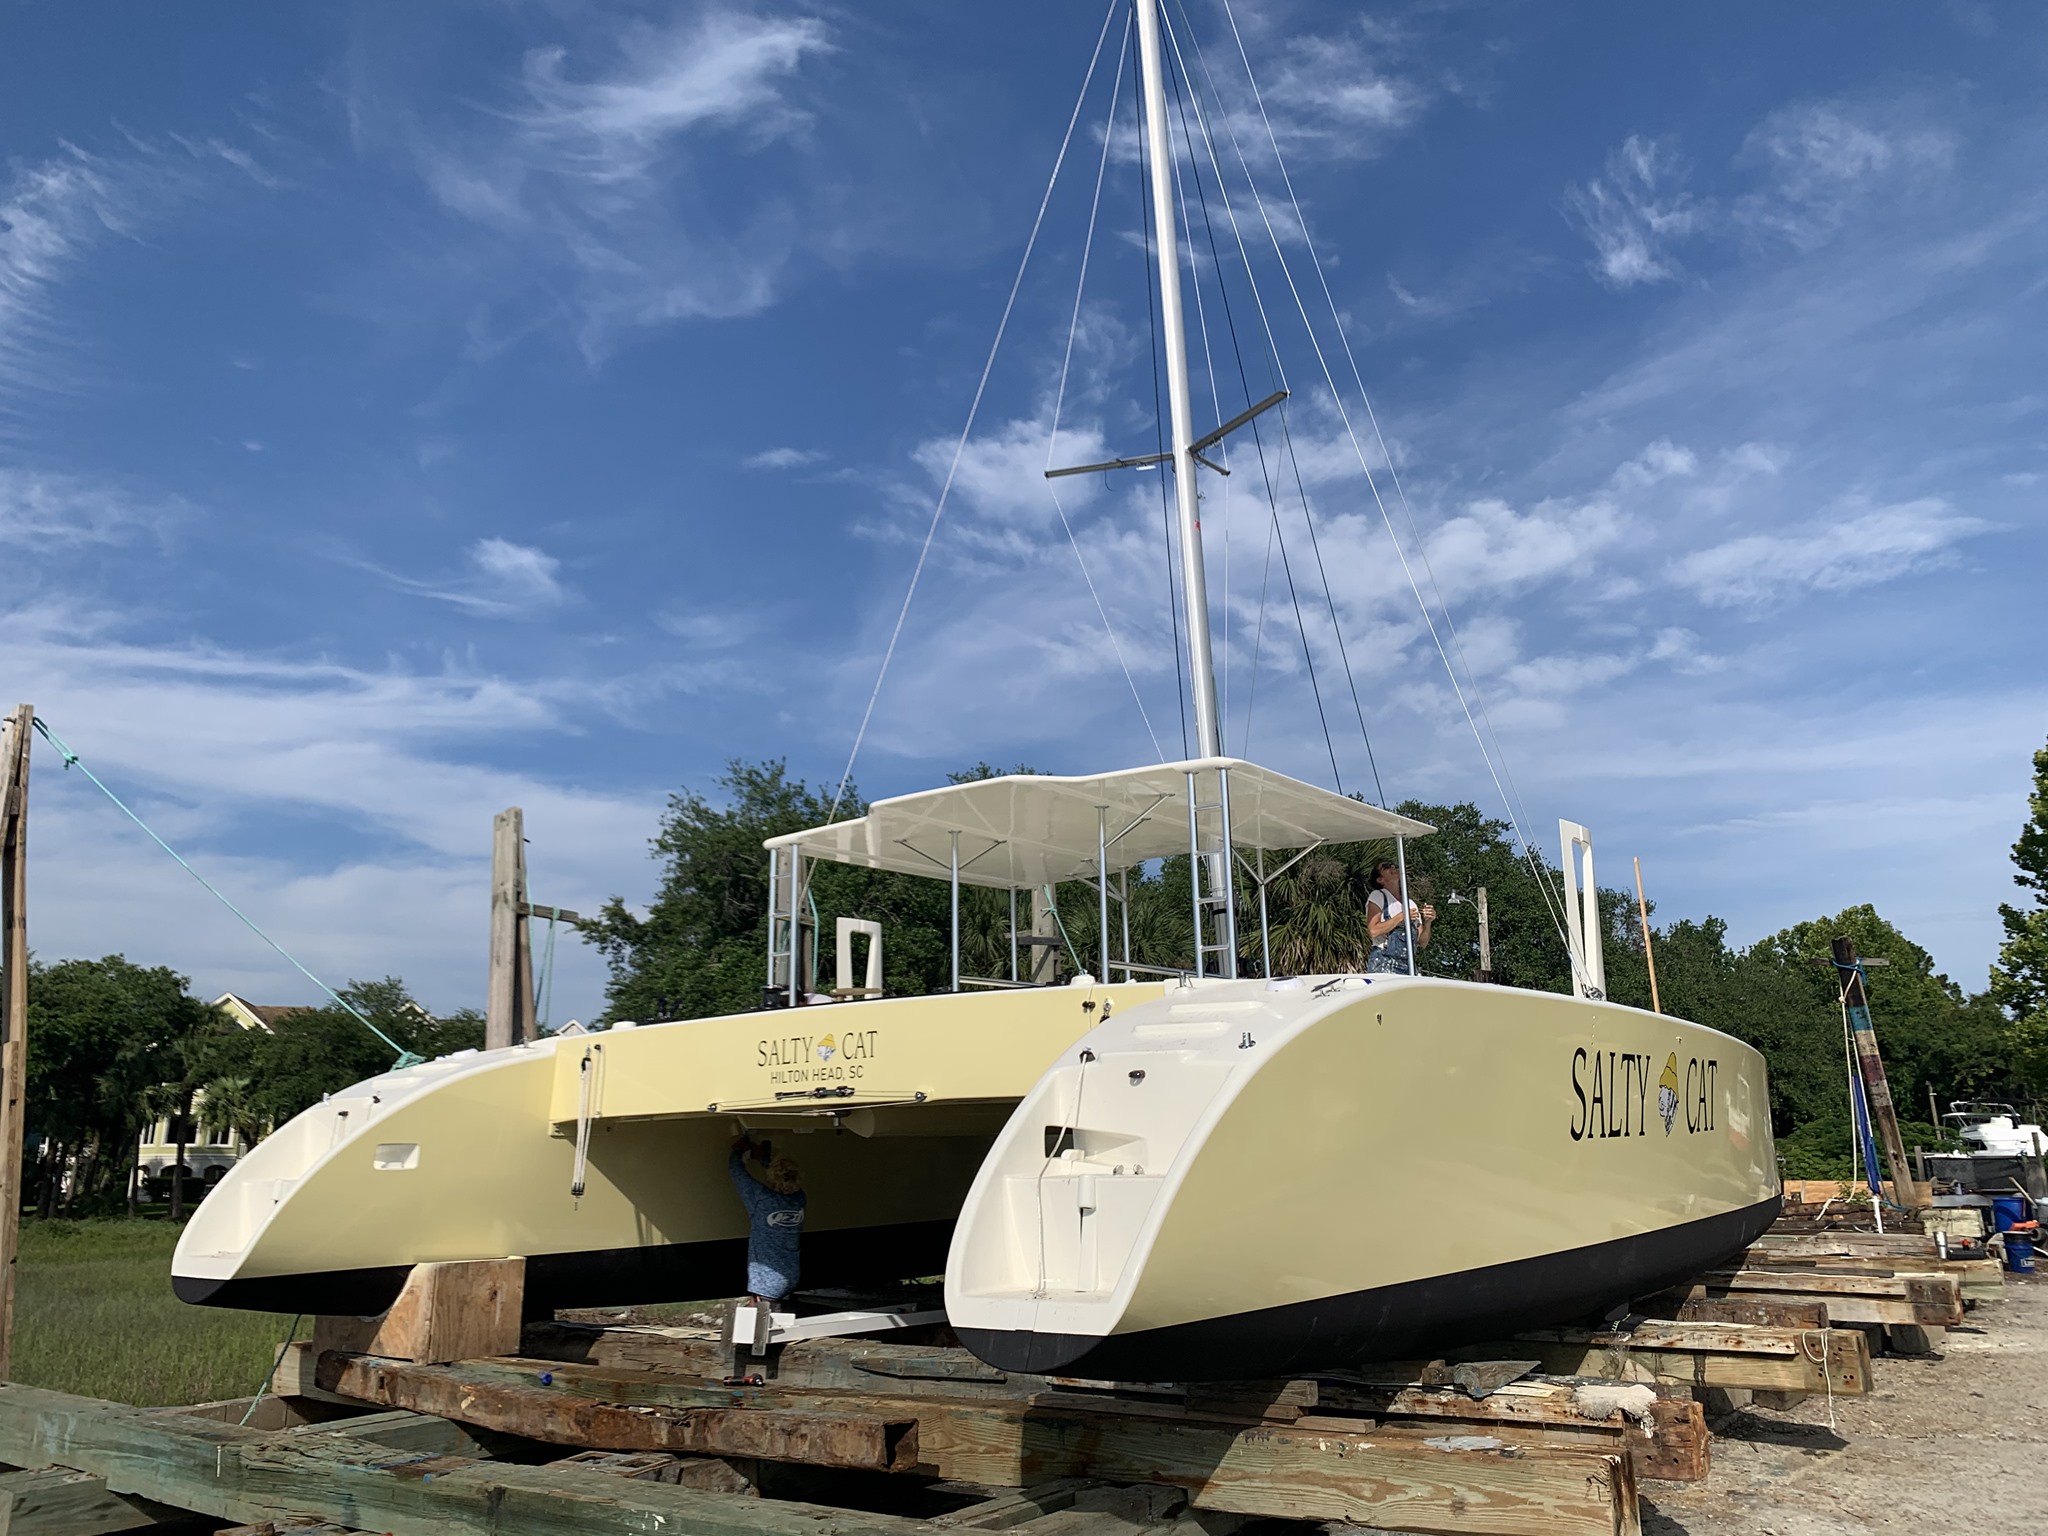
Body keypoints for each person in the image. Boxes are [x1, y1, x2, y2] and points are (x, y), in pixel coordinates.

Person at [728, 1133, 805, 1334]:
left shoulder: (762, 1200)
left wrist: (738, 1151)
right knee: (783, 1324)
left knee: (762, 1329)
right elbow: (785, 1178)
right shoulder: (799, 1199)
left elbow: (737, 1173)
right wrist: (764, 1158)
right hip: (790, 1274)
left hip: (767, 1278)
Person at [1366, 859, 1434, 974]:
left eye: (1393, 865)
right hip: (1384, 962)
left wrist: (1428, 922)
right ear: (1380, 879)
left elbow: (1422, 942)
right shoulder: (1378, 896)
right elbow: (1373, 930)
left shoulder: (1411, 904)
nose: (1392, 867)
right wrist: (1401, 917)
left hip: (1409, 964)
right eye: (1386, 866)